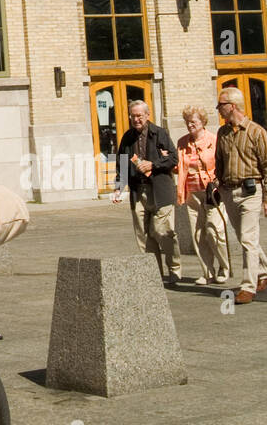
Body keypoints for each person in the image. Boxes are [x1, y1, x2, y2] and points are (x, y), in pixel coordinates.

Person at [113, 99, 181, 285]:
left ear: (147, 115)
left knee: (162, 230)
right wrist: (119, 187)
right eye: (133, 116)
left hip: (160, 189)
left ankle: (174, 268)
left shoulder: (159, 133)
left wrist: (154, 164)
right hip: (138, 191)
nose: (136, 119)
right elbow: (121, 164)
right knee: (144, 235)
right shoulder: (127, 138)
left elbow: (174, 159)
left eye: (139, 116)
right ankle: (153, 273)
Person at [213, 86, 267, 305]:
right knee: (247, 238)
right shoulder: (222, 133)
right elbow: (219, 161)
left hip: (250, 192)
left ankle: (248, 286)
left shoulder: (257, 132)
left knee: (247, 238)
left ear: (232, 106)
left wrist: (266, 199)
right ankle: (263, 272)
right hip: (229, 191)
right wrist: (218, 185)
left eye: (221, 105)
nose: (218, 109)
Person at [175, 104, 229, 286]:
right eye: (187, 122)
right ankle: (207, 272)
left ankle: (224, 266)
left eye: (193, 121)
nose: (189, 125)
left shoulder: (214, 140)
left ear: (202, 122)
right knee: (198, 234)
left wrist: (218, 183)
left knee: (214, 231)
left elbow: (222, 165)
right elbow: (180, 167)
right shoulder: (182, 142)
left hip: (212, 193)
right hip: (192, 193)